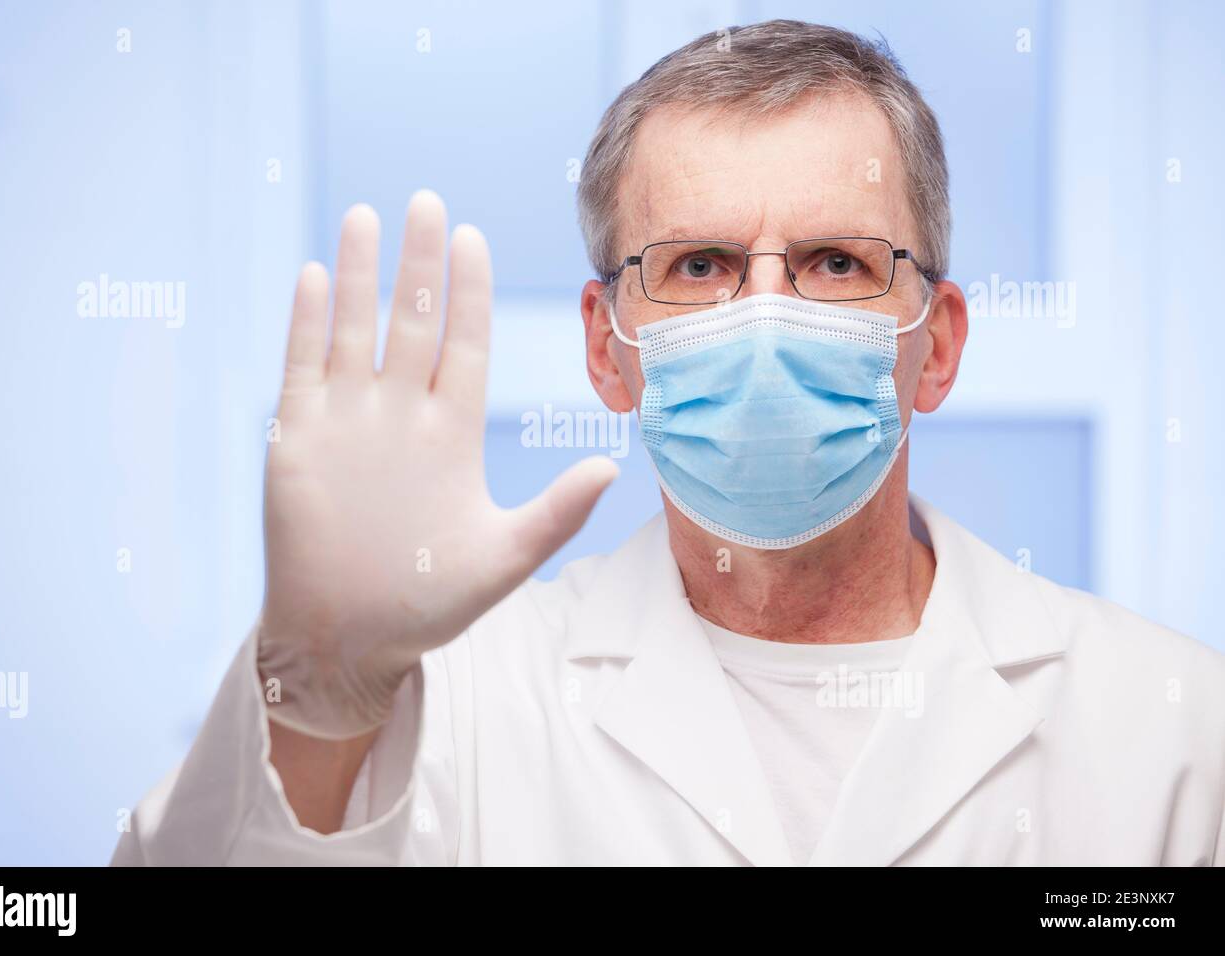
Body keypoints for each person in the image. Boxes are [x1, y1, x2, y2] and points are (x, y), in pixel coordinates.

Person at [112, 19, 1224, 866]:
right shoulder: (453, 704)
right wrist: (314, 691)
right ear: (608, 348)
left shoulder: (1170, 726)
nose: (766, 316)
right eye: (701, 266)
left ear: (935, 345)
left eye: (836, 262)